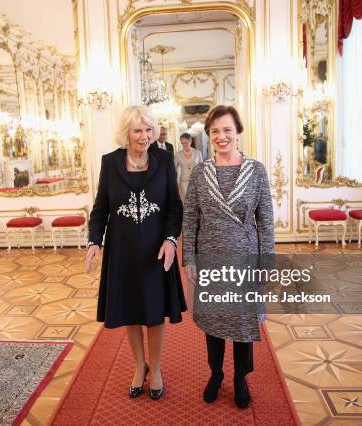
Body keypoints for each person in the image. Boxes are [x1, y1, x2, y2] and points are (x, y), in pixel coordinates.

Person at [85, 105, 186, 401]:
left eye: (149, 130)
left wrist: (170, 240)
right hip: (123, 252)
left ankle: (155, 368)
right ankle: (138, 367)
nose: (144, 136)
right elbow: (101, 208)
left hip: (157, 252)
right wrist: (94, 241)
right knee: (131, 311)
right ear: (126, 133)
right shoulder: (110, 162)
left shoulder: (164, 160)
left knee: (155, 313)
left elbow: (174, 206)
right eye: (138, 130)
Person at [182, 105, 274, 409]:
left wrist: (267, 261)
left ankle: (240, 377)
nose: (221, 136)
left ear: (238, 132)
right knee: (214, 323)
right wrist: (190, 259)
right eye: (215, 131)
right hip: (210, 258)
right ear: (209, 135)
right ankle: (217, 373)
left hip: (245, 258)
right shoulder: (199, 172)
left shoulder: (256, 170)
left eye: (227, 130)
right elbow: (190, 218)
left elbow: (266, 220)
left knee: (243, 323)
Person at [174, 133, 202, 202]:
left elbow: (202, 168)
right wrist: (175, 182)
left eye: (186, 142)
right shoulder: (178, 154)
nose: (184, 145)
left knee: (196, 202)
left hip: (196, 182)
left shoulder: (198, 153)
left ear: (190, 142)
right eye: (182, 143)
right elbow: (173, 169)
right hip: (183, 183)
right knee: (186, 203)